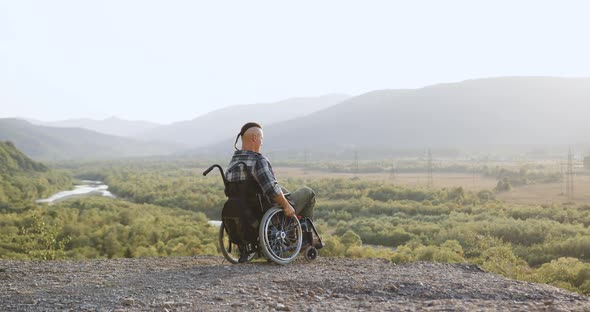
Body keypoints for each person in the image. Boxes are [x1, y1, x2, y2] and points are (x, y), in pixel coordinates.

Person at [226, 122, 316, 220]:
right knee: (308, 192)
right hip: (266, 211)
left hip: (245, 212)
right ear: (254, 138)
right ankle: (307, 233)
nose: (261, 143)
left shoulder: (233, 163)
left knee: (282, 189)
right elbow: (271, 189)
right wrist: (287, 206)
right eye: (261, 139)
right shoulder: (258, 161)